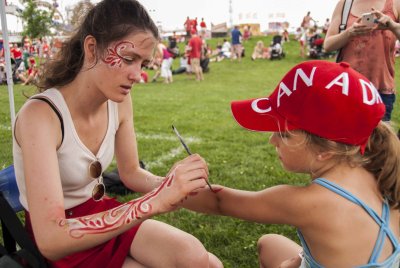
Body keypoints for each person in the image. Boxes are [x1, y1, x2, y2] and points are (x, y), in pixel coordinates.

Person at [12, 1, 223, 267]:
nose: (137, 75)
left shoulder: (119, 101)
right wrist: (154, 201)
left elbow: (131, 173)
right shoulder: (41, 116)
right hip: (64, 235)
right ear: (91, 49)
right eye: (128, 59)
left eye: (143, 63)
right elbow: (51, 239)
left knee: (198, 258)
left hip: (102, 212)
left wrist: (172, 186)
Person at [181, 60, 400, 267]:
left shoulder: (308, 202)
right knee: (269, 243)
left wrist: (157, 185)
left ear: (325, 150)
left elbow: (219, 201)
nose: (272, 140)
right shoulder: (382, 172)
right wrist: (300, 259)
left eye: (283, 135)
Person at [324, 0, 400, 122]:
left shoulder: (395, 4)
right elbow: (328, 45)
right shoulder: (344, 4)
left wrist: (392, 25)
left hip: (380, 91)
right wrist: (349, 33)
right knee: (343, 137)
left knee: (377, 140)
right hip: (345, 89)